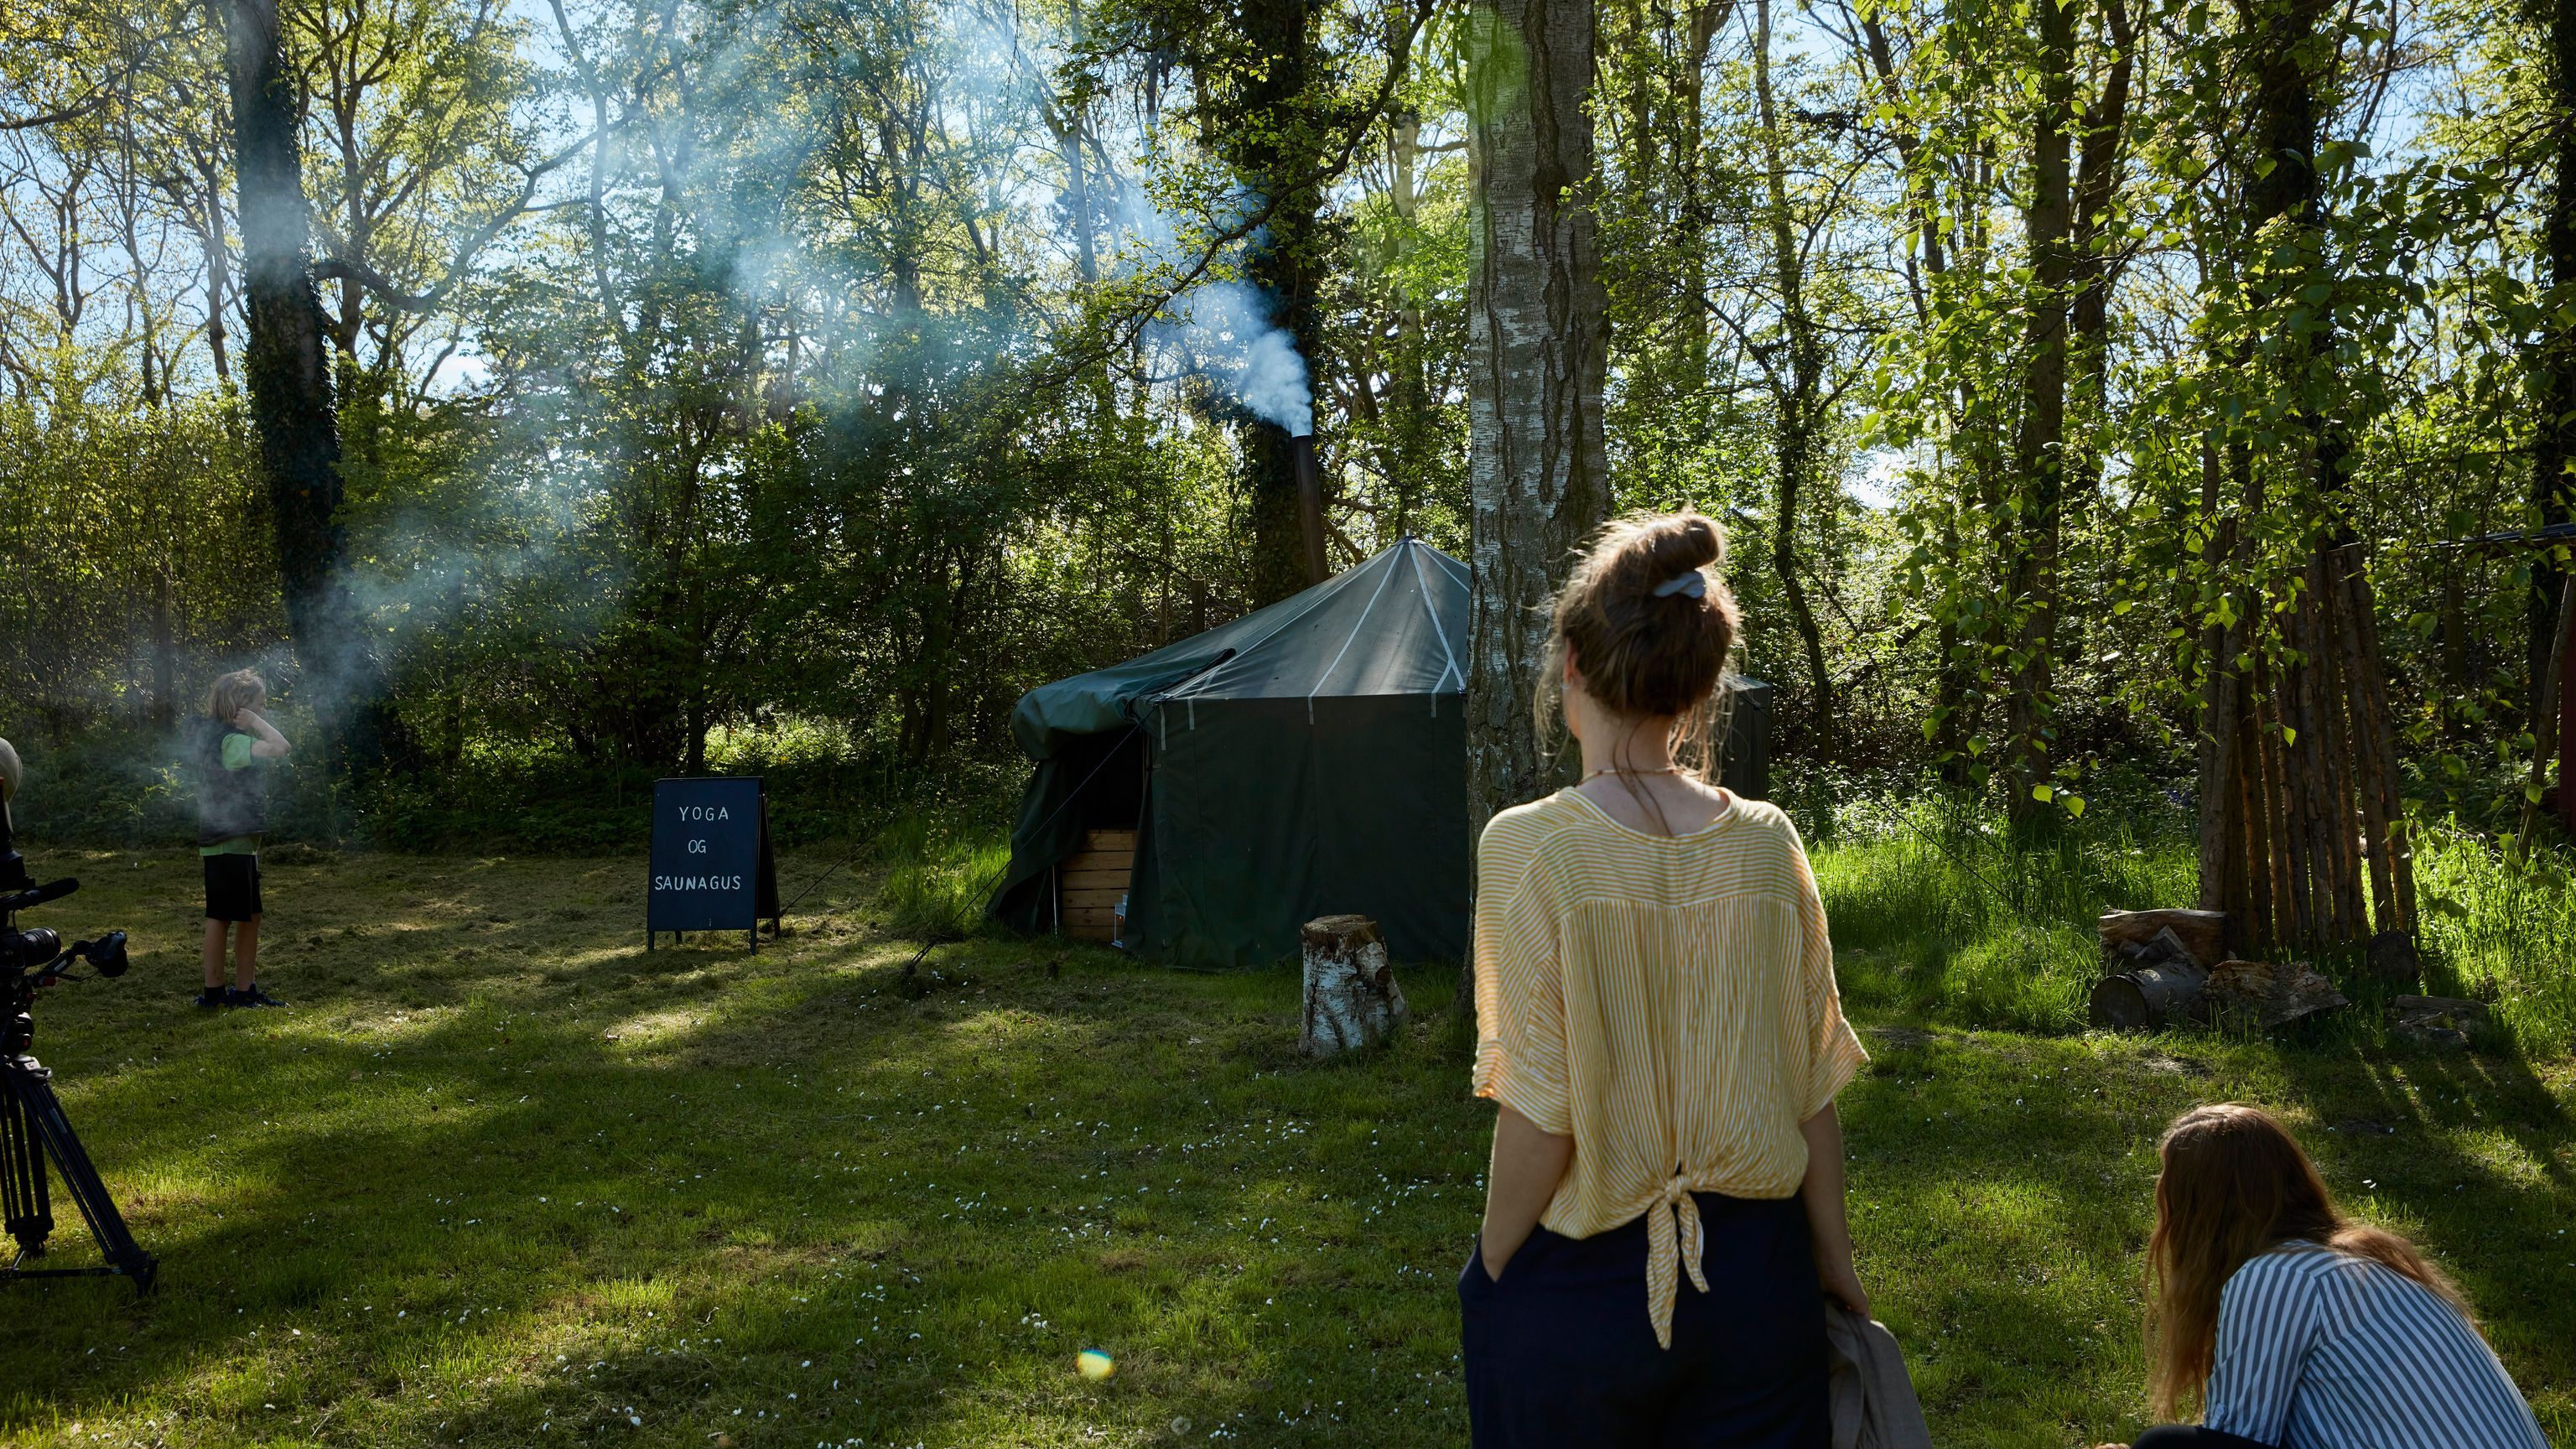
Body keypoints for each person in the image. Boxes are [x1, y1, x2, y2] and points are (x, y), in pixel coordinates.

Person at [1461, 511, 1869, 1448]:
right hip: (1761, 1286)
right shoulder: (1767, 843)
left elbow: (1542, 1111)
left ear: (1572, 662)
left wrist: (1492, 1262)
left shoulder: (1531, 847)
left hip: (1582, 1290)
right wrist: (1835, 1265)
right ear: (1701, 681)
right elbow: (1811, 1093)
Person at [2116, 1103, 2546, 1449]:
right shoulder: (2369, 1262)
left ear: (2201, 1216)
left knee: (2166, 1447)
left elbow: (2236, 1437)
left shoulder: (2276, 1277)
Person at [190, 669, 290, 1009]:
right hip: (227, 840)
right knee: (221, 917)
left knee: (250, 916)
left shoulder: (226, 739)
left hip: (239, 842)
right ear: (241, 705)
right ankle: (214, 994)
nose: (263, 711)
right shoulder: (230, 742)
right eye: (259, 705)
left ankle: (245, 991)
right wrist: (255, 723)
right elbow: (281, 747)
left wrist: (252, 719)